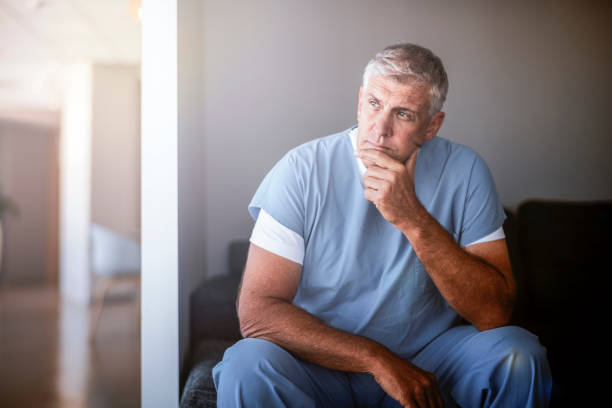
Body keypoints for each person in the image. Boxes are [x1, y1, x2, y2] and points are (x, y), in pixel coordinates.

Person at [213, 43, 551, 407]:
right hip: (319, 365)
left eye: (403, 114)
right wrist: (378, 361)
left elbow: (494, 313)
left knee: (517, 354)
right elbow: (257, 313)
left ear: (431, 125)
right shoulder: (300, 171)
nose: (379, 128)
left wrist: (413, 219)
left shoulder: (466, 171)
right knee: (246, 363)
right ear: (360, 101)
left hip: (429, 361)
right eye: (374, 104)